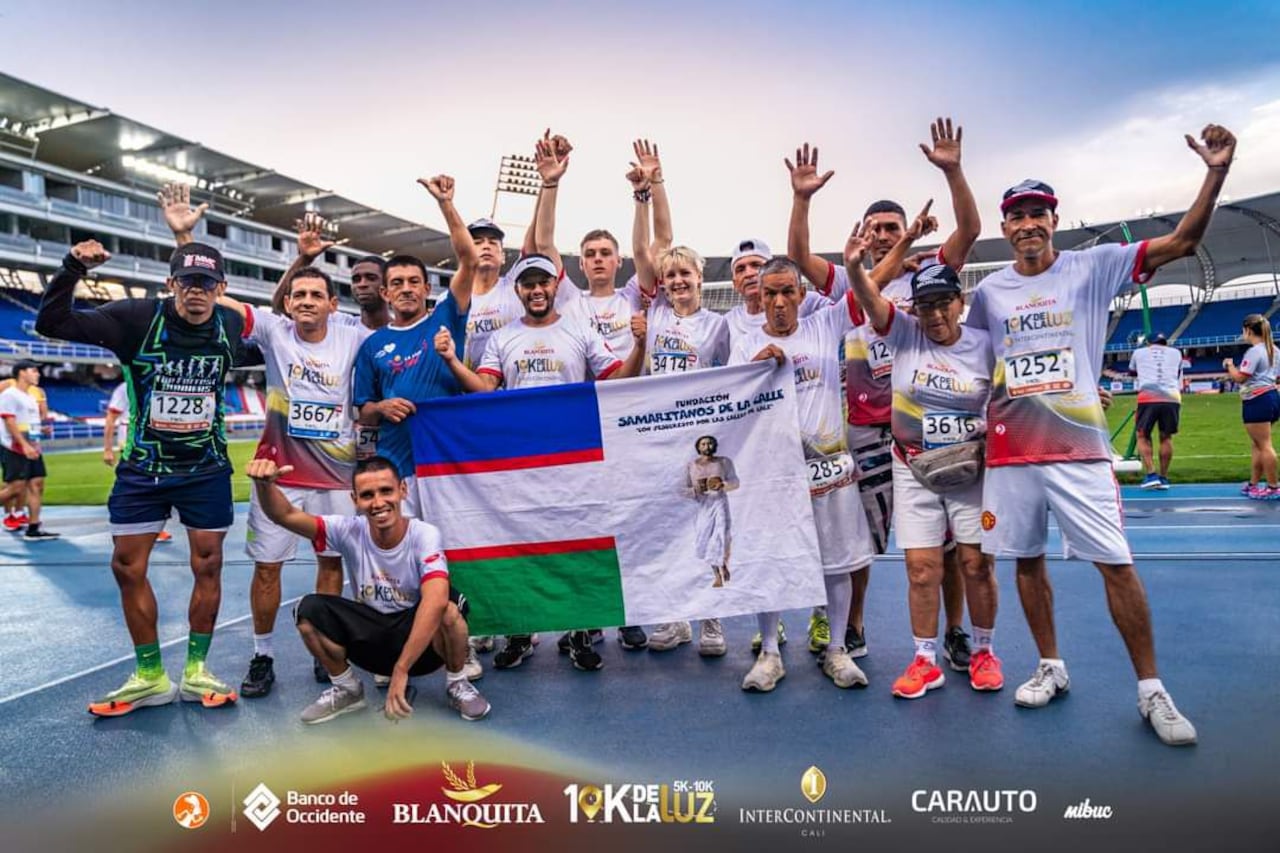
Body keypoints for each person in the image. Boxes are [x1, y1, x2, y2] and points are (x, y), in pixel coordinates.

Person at [966, 123, 1237, 746]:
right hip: (1012, 452)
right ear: (1005, 227)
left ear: (1053, 220)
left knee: (1116, 564)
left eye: (1037, 213)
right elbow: (976, 361)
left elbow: (1184, 240)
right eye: (1017, 216)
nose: (1028, 224)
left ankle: (1152, 689)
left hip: (1079, 451)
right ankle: (1050, 665)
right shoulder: (989, 293)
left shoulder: (1095, 265)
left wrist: (1215, 172)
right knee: (1026, 563)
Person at [786, 120, 981, 665]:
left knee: (944, 542)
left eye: (892, 227)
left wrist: (953, 172)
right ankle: (853, 626)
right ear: (863, 236)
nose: (883, 235)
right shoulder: (847, 282)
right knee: (858, 539)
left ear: (907, 229)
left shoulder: (930, 277)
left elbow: (969, 229)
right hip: (866, 430)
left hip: (928, 425)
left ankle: (955, 630)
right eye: (873, 228)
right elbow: (798, 254)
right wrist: (801, 199)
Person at [37, 239, 247, 715]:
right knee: (127, 567)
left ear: (221, 288)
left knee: (209, 565)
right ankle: (150, 674)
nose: (197, 291)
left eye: (207, 283)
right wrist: (72, 268)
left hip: (206, 468)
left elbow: (276, 343)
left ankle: (196, 670)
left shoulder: (230, 325)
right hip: (144, 468)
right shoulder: (135, 318)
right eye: (188, 282)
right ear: (171, 283)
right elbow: (51, 323)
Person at [436, 254, 645, 672]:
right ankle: (520, 632)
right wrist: (453, 362)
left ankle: (580, 632)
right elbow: (486, 389)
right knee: (521, 545)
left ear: (554, 287)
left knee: (576, 544)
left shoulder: (579, 330)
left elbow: (617, 380)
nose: (536, 290)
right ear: (518, 290)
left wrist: (640, 345)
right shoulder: (503, 337)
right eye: (528, 284)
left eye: (543, 282)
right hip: (519, 460)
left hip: (572, 458)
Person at [842, 217, 1002, 699]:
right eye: (925, 304)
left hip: (971, 470)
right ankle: (924, 660)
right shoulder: (904, 334)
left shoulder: (985, 345)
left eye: (943, 303)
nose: (934, 314)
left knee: (975, 564)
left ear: (960, 302)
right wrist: (854, 267)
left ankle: (984, 651)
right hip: (913, 467)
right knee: (922, 568)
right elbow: (869, 299)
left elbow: (1013, 399)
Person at [245, 456, 491, 723]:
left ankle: (457, 682)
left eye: (386, 491)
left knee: (448, 608)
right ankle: (347, 688)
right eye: (367, 495)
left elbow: (435, 599)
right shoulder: (347, 530)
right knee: (308, 611)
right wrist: (264, 486)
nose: (378, 502)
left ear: (402, 490)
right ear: (355, 500)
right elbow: (285, 515)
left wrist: (401, 669)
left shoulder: (424, 534)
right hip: (371, 640)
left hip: (422, 647)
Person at [730, 258, 877, 691]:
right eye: (769, 293)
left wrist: (896, 248)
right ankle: (770, 654)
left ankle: (837, 650)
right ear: (759, 296)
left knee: (838, 562)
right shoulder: (744, 344)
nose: (778, 302)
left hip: (827, 467)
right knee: (770, 559)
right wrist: (754, 369)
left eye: (786, 292)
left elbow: (868, 287)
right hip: (773, 474)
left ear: (801, 294)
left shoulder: (824, 325)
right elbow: (732, 407)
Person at [532, 133, 652, 652]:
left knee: (630, 520)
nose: (598, 259)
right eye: (590, 254)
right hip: (583, 426)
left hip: (631, 421)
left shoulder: (634, 296)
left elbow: (648, 251)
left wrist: (642, 196)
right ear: (580, 264)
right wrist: (550, 184)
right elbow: (542, 244)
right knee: (583, 522)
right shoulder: (569, 300)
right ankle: (587, 617)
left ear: (618, 260)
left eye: (606, 253)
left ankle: (631, 613)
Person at [627, 144, 732, 656]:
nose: (676, 281)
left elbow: (733, 384)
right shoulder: (657, 313)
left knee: (708, 527)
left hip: (702, 444)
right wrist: (643, 194)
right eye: (670, 276)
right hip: (658, 438)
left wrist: (660, 181)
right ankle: (674, 619)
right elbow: (648, 247)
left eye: (684, 274)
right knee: (665, 529)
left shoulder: (718, 326)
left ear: (699, 277)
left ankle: (713, 621)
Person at [353, 174, 477, 520]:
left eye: (413, 282)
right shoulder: (372, 346)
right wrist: (381, 407)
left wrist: (445, 204)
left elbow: (469, 260)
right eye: (397, 283)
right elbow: (363, 413)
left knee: (453, 545)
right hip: (398, 467)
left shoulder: (447, 317)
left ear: (426, 289)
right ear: (385, 293)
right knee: (403, 546)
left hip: (447, 462)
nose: (406, 289)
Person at [102, 380, 173, 543]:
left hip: (153, 438)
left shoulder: (160, 382)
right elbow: (111, 417)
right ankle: (138, 525)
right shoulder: (125, 387)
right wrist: (107, 448)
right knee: (141, 481)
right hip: (132, 439)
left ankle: (149, 525)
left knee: (155, 480)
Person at [1222, 314, 1279, 499]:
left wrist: (1230, 366)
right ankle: (1253, 484)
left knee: (1264, 445)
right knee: (1258, 444)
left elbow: (1240, 377)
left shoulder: (1254, 352)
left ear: (1248, 330)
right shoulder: (1275, 350)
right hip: (1271, 396)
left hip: (1257, 399)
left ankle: (1273, 487)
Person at [0, 360, 57, 540]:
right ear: (22, 373)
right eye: (33, 370)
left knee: (37, 484)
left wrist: (41, 430)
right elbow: (9, 422)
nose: (38, 374)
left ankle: (33, 528)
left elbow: (26, 424)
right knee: (15, 488)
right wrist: (24, 446)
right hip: (15, 447)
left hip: (32, 447)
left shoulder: (30, 397)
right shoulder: (10, 395)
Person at [1128, 333, 1184, 489]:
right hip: (1172, 397)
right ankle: (1164, 477)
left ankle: (1152, 474)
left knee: (1142, 435)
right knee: (1166, 437)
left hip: (1148, 397)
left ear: (1148, 342)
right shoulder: (1176, 353)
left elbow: (1132, 372)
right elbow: (1177, 373)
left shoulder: (1139, 352)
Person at [684, 435, 739, 588]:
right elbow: (681, 489)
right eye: (703, 444)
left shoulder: (724, 462)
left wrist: (722, 484)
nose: (707, 446)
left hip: (720, 503)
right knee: (706, 539)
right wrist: (695, 490)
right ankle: (718, 570)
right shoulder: (691, 465)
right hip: (702, 507)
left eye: (709, 443)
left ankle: (720, 571)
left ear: (714, 446)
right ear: (698, 447)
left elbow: (735, 482)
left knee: (721, 536)